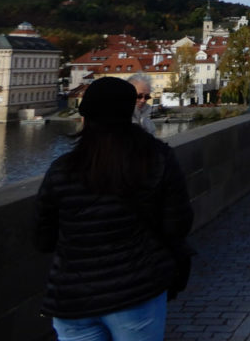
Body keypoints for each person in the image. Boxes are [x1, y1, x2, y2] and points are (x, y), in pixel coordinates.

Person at [35, 77, 193, 341]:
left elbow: (42, 239)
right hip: (136, 291)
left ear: (84, 118)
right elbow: (178, 225)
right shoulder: (157, 160)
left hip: (72, 297)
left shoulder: (62, 169)